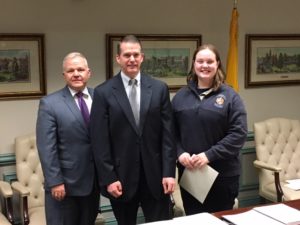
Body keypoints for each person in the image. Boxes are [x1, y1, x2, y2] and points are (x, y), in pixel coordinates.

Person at [90, 35, 176, 225]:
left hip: (156, 178)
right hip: (121, 179)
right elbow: (99, 141)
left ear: (142, 57)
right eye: (127, 55)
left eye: (136, 55)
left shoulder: (159, 88)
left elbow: (168, 135)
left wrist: (169, 172)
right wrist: (109, 178)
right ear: (118, 58)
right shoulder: (103, 92)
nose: (132, 59)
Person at [172, 44, 248, 215]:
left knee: (219, 219)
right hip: (190, 175)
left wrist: (208, 155)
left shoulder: (230, 97)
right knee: (195, 219)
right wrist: (180, 153)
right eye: (200, 61)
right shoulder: (180, 97)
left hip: (223, 176)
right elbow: (171, 132)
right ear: (193, 64)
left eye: (209, 61)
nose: (204, 65)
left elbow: (238, 134)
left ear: (217, 64)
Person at [36, 52, 100, 225]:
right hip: (64, 186)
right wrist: (55, 182)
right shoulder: (50, 103)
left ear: (89, 72)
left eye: (80, 69)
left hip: (93, 184)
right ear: (64, 75)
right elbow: (46, 147)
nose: (76, 74)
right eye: (71, 70)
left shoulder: (100, 98)